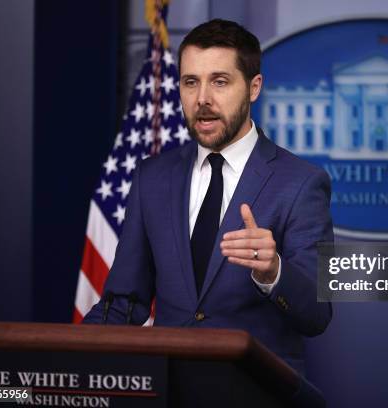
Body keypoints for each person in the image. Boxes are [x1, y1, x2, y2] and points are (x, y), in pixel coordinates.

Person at [84, 18, 333, 373]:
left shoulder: (302, 183)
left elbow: (318, 314)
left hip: (255, 392)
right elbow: (126, 301)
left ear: (254, 87)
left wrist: (273, 271)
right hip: (168, 390)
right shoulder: (152, 177)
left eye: (219, 82)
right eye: (190, 82)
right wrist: (69, 354)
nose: (202, 99)